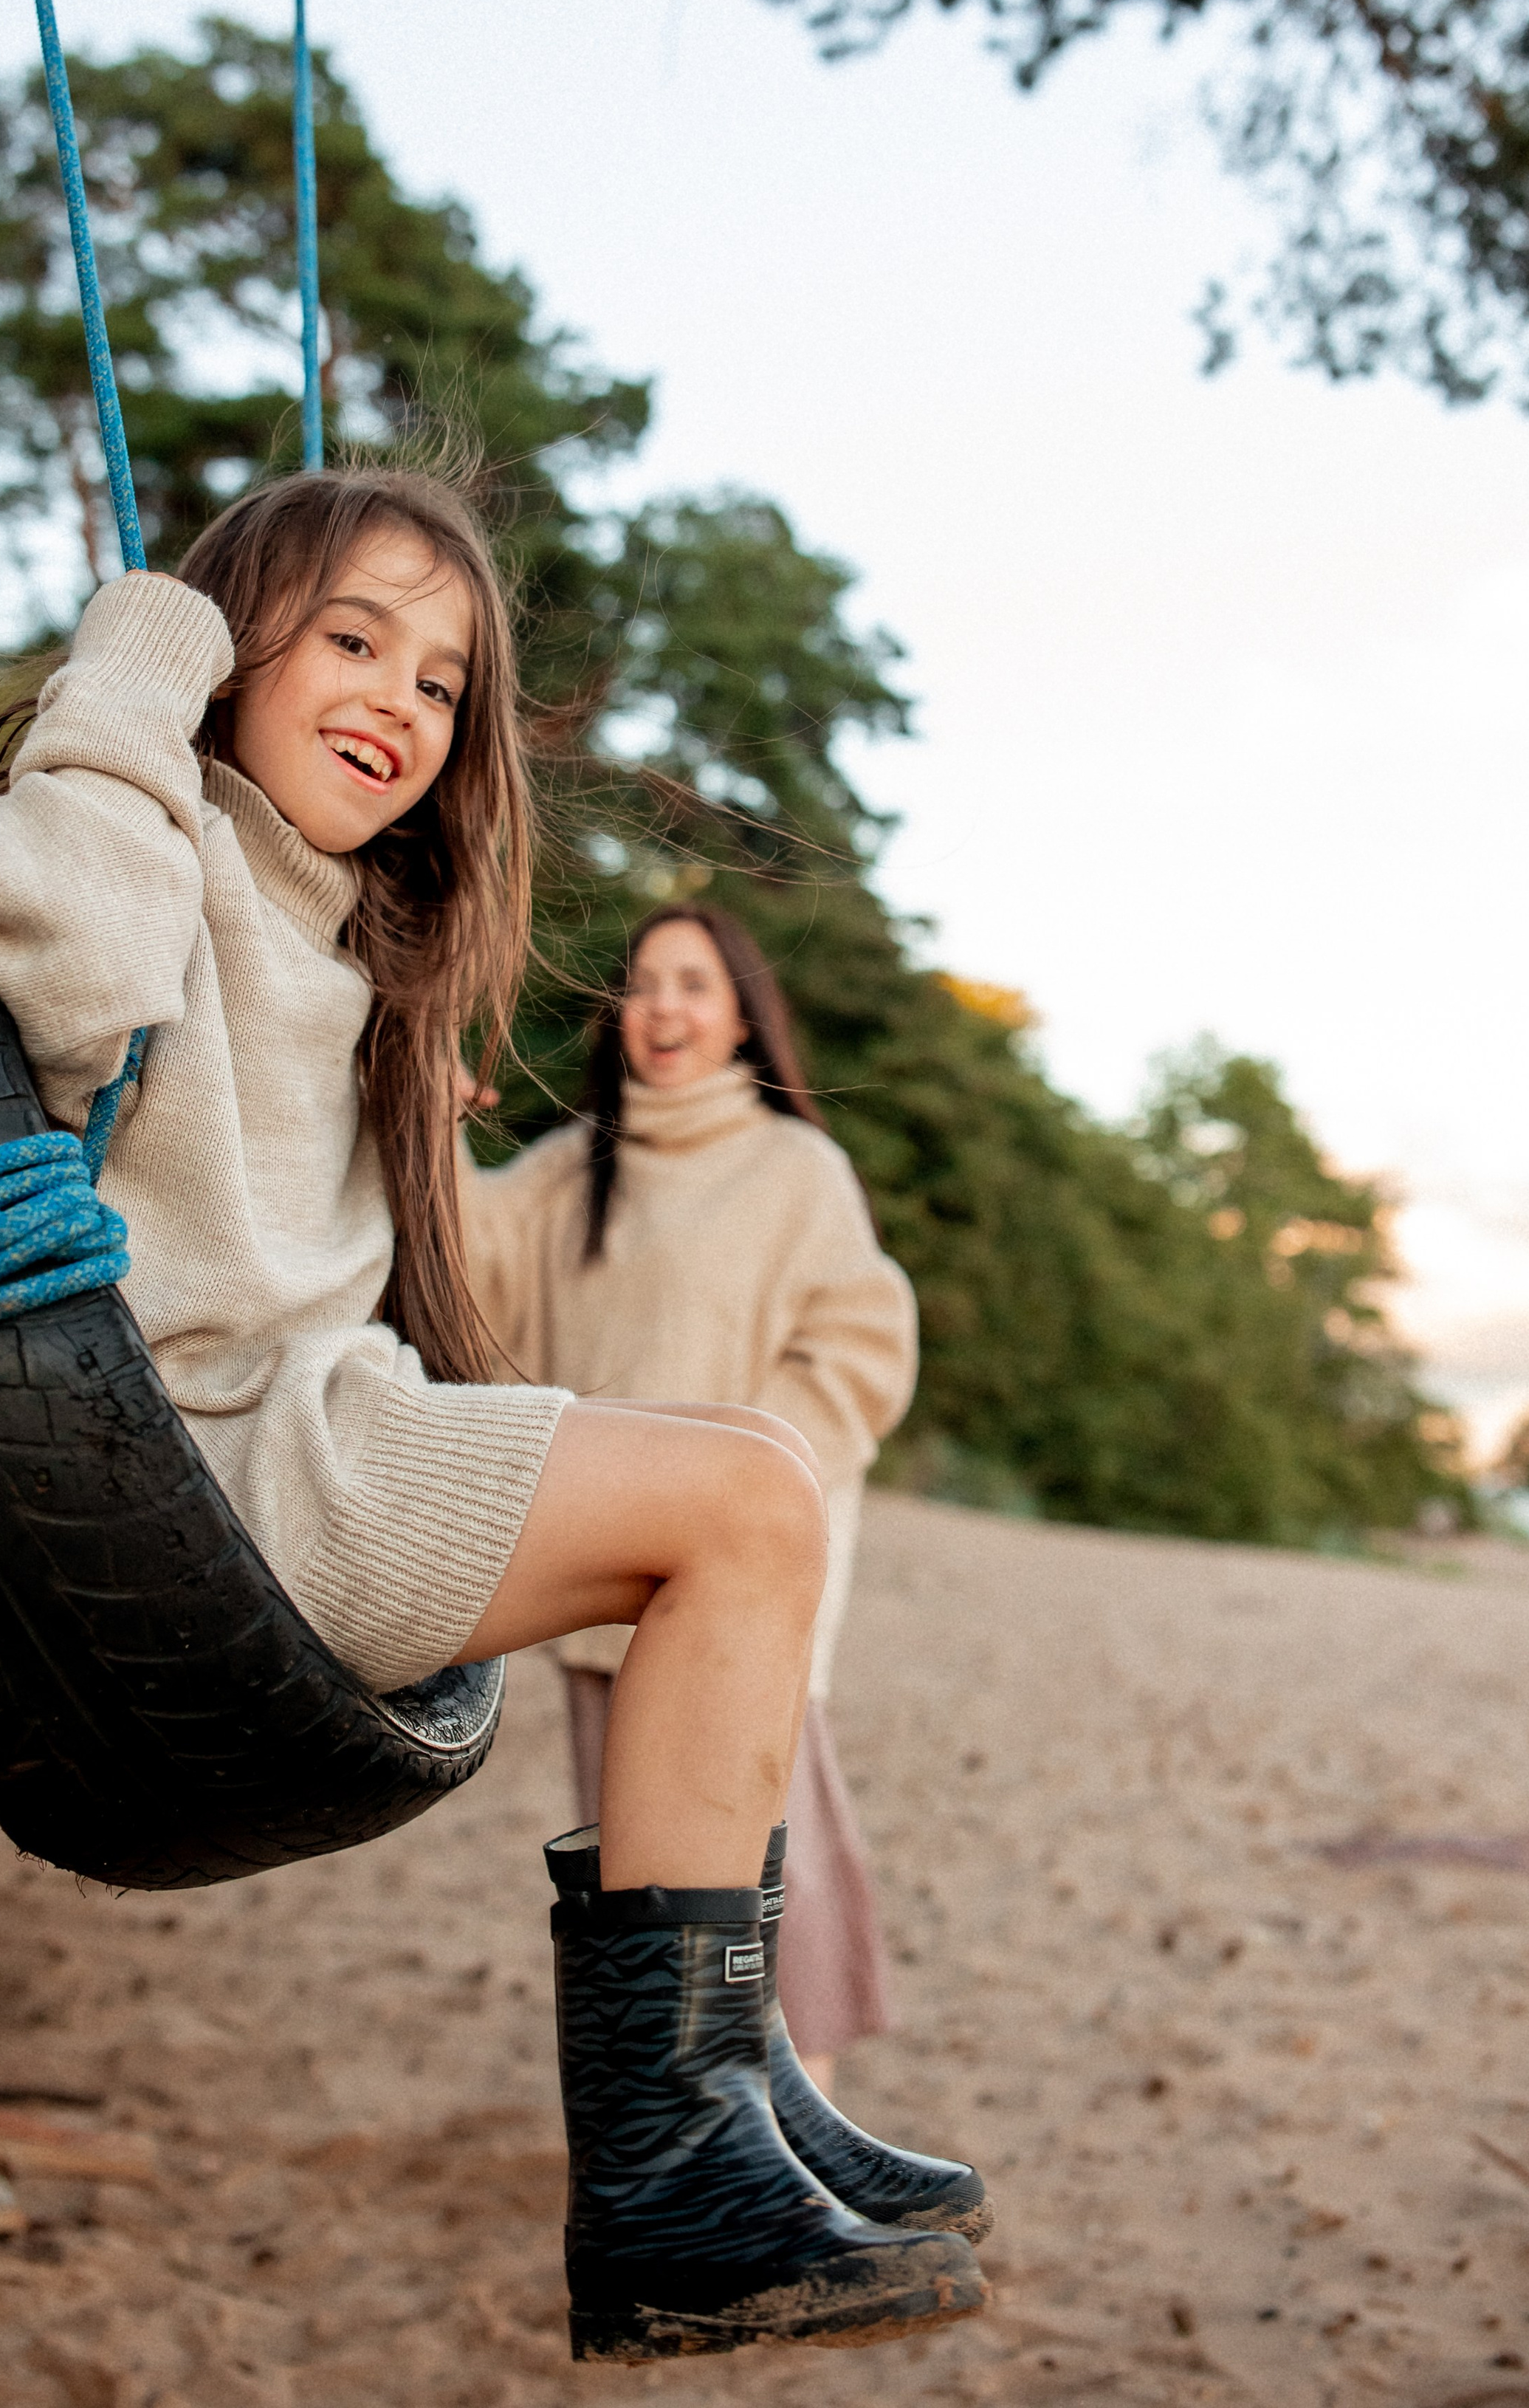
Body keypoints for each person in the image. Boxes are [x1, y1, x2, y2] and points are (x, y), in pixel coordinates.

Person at [0, 467, 987, 2361]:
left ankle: (723, 2105)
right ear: (230, 656)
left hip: (320, 1433)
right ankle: (670, 2168)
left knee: (748, 1509)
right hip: (207, 1472)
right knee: (746, 1509)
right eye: (353, 640)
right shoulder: (153, 841)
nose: (402, 697)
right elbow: (48, 924)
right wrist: (137, 654)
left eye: (445, 681)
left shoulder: (339, 931)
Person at [461, 907, 982, 2153]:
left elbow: (862, 1343)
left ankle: (808, 2120)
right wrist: (427, 1120)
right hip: (608, 1588)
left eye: (693, 985)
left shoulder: (794, 1168)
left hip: (749, 1587)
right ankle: (680, 2133)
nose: (663, 1009)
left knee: (773, 1856)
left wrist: (744, 1482)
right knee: (642, 1871)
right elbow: (471, 1267)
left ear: (742, 1012)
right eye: (641, 986)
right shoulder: (573, 1162)